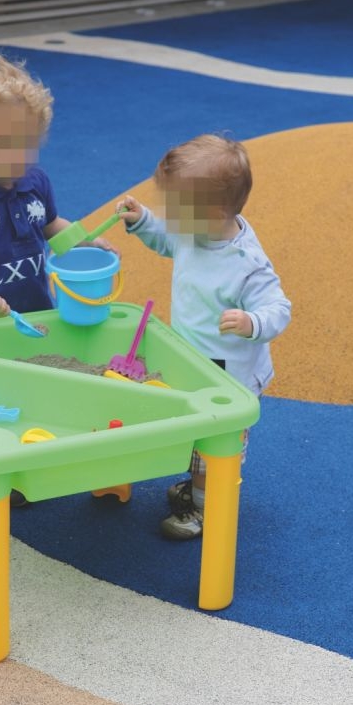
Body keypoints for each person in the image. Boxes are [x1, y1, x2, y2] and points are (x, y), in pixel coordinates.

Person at [0, 51, 114, 505]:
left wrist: (85, 242)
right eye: (3, 143)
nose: (17, 155)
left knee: (35, 382)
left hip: (34, 308)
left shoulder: (36, 181)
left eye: (26, 142)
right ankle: (1, 470)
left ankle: (36, 454)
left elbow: (50, 226)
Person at [115, 134, 291, 540]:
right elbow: (165, 240)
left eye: (173, 209)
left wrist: (251, 322)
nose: (168, 215)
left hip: (230, 379)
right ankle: (197, 488)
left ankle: (206, 510)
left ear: (211, 213)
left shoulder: (246, 262)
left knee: (215, 448)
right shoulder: (192, 231)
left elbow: (278, 309)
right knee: (194, 436)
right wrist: (143, 222)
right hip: (196, 364)